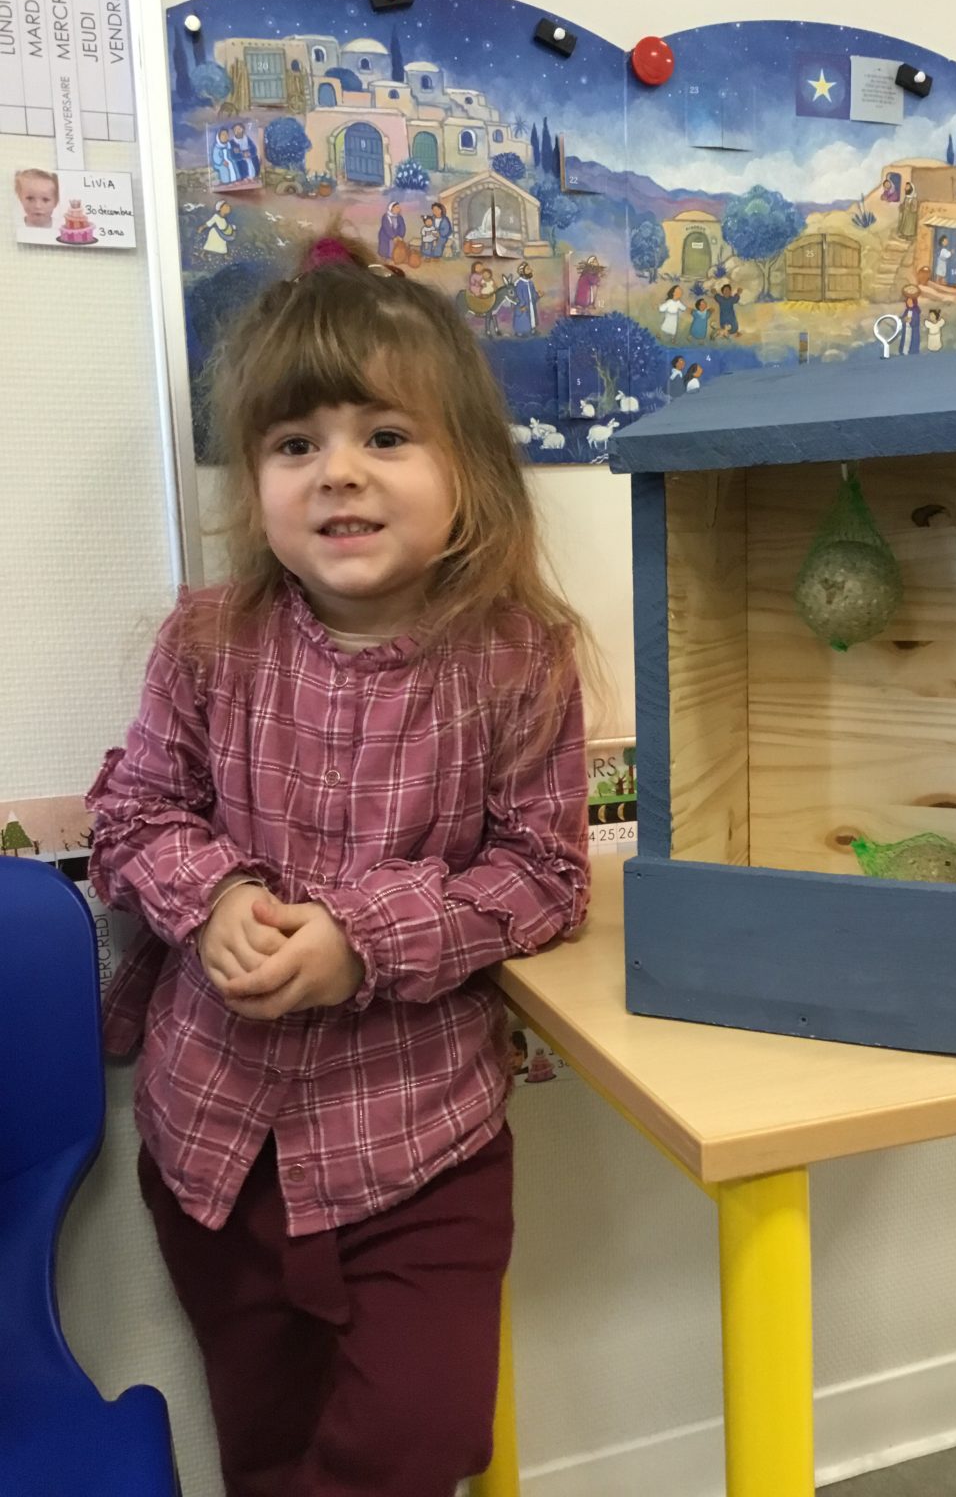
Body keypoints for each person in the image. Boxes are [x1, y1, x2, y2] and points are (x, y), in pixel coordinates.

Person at [85, 229, 590, 1497]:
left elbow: (544, 873)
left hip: (421, 1147)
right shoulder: (208, 642)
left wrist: (365, 940)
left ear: (469, 468)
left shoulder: (520, 658)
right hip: (217, 1150)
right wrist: (215, 900)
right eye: (295, 444)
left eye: (386, 435)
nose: (339, 473)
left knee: (420, 1439)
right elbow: (133, 814)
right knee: (264, 1445)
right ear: (255, 478)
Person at [513, 260, 540, 336]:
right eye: (528, 269)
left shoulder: (530, 283)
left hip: (530, 304)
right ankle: (520, 332)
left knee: (532, 316)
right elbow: (519, 295)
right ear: (523, 272)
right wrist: (522, 305)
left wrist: (538, 295)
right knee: (522, 317)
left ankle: (532, 329)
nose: (531, 270)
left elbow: (533, 294)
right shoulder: (519, 284)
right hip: (523, 305)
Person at [899, 285, 921, 356]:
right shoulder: (907, 310)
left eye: (910, 302)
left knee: (912, 341)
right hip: (906, 330)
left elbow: (916, 321)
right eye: (908, 302)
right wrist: (903, 319)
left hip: (912, 330)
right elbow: (903, 317)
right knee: (905, 341)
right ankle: (904, 352)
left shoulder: (916, 311)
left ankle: (912, 352)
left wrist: (911, 320)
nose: (909, 303)